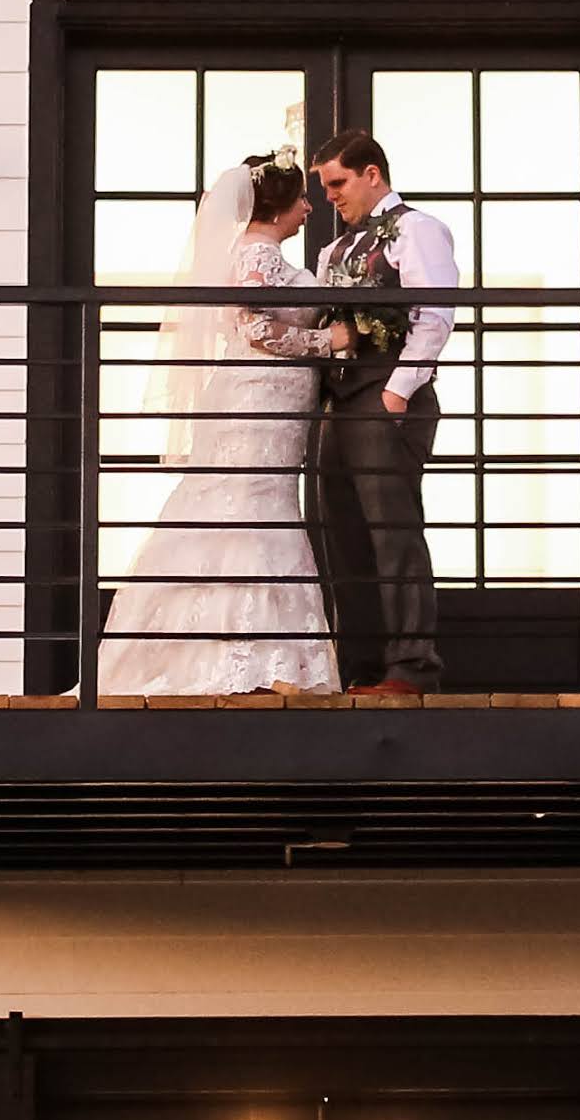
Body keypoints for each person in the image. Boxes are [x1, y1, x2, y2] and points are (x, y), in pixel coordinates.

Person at [91, 157, 348, 698]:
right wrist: (328, 342)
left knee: (251, 503)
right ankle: (248, 657)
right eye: (302, 198)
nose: (308, 208)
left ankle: (250, 652)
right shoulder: (257, 253)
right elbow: (253, 325)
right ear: (278, 205)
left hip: (270, 405)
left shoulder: (255, 252)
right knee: (252, 507)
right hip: (259, 404)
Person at [303, 132, 457, 697]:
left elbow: (435, 314)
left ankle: (411, 668)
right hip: (339, 403)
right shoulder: (334, 249)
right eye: (323, 188)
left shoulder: (417, 229)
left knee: (394, 533)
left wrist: (397, 394)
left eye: (338, 184)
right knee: (342, 534)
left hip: (388, 397)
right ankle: (362, 668)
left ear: (373, 174)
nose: (330, 198)